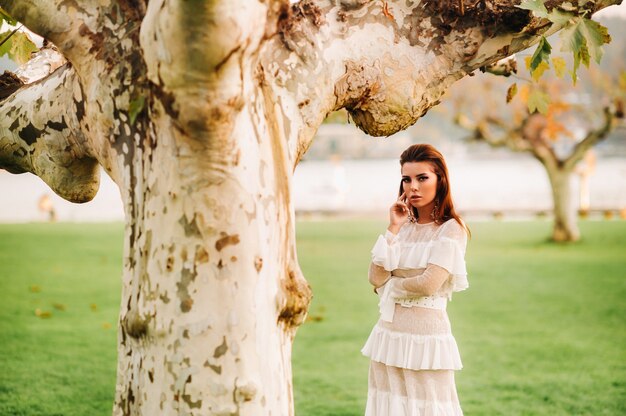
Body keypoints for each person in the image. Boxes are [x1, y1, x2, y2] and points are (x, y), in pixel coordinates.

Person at [361, 144, 470, 415]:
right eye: (407, 179)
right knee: (389, 406)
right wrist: (393, 228)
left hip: (426, 339)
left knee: (429, 407)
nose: (413, 187)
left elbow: (428, 283)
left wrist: (391, 285)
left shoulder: (451, 229)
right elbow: (375, 277)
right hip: (389, 334)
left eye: (422, 178)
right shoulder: (404, 227)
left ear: (440, 180)